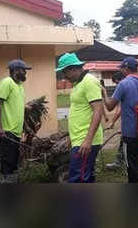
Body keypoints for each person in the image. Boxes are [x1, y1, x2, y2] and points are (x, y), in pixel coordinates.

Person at [56, 52, 103, 183]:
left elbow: (98, 110)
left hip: (85, 140)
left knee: (78, 178)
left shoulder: (89, 82)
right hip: (79, 138)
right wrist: (72, 137)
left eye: (64, 72)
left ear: (72, 69)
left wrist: (88, 140)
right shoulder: (79, 84)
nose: (64, 77)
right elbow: (81, 110)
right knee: (85, 176)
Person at [0, 59, 32, 184]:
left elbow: (18, 108)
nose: (25, 73)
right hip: (7, 130)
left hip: (16, 131)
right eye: (23, 70)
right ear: (15, 70)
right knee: (7, 161)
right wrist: (0, 127)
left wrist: (25, 126)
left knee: (13, 160)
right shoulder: (7, 82)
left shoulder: (20, 86)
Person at [104, 71, 125, 170]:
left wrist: (104, 93)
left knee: (125, 141)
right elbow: (119, 107)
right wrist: (113, 121)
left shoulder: (123, 87)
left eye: (117, 82)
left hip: (131, 124)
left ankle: (120, 162)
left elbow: (114, 108)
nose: (117, 85)